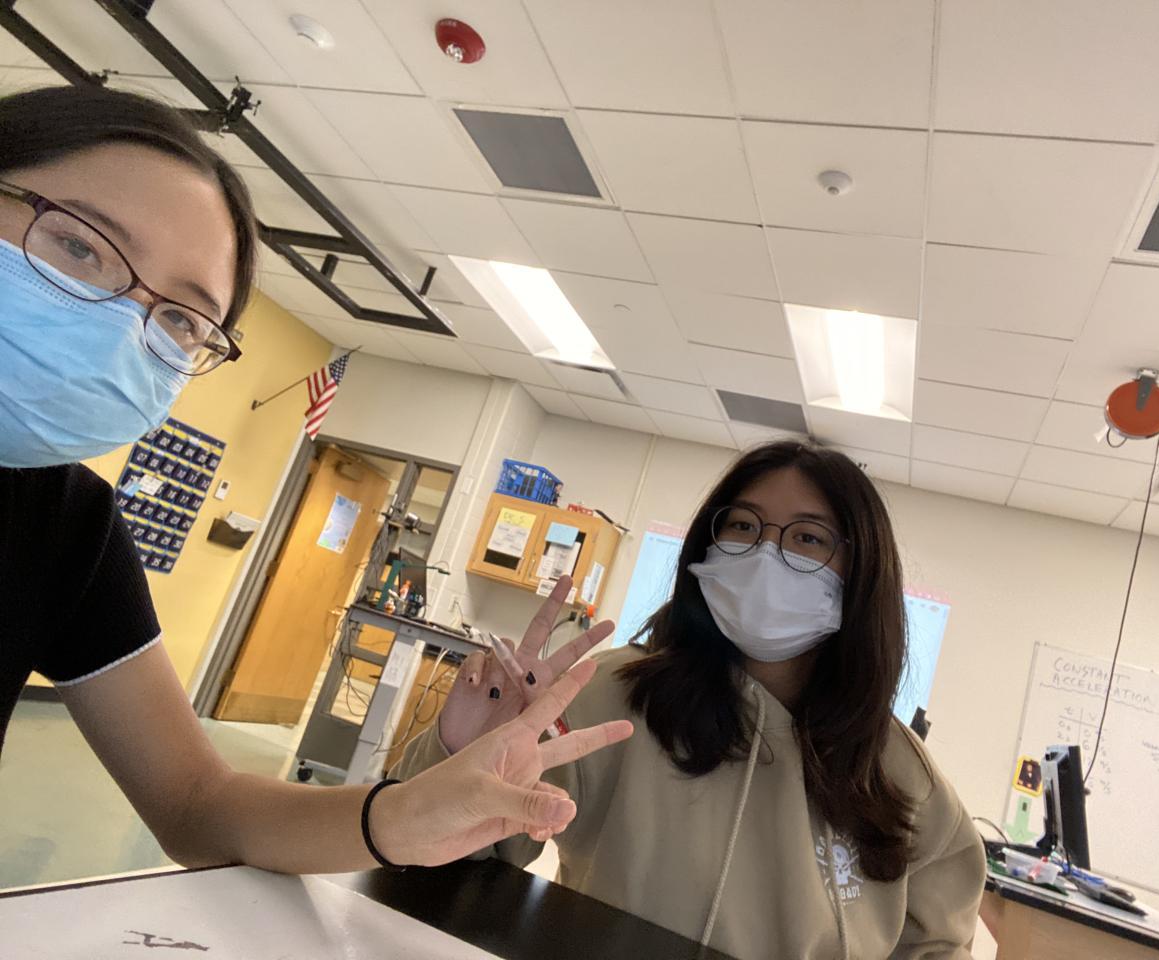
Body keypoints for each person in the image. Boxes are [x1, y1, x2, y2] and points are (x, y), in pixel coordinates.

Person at [0, 84, 631, 874]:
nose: (120, 325)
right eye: (79, 246)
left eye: (180, 319)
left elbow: (196, 804)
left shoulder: (67, 526)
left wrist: (403, 814)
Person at [398, 442, 986, 959]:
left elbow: (938, 946)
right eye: (744, 526)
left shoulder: (902, 774)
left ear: (862, 572)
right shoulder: (611, 694)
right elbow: (428, 857)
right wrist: (458, 752)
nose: (765, 555)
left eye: (808, 537)